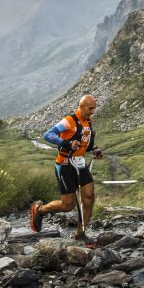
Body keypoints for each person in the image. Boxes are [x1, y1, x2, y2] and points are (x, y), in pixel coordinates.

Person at [29, 94, 103, 241]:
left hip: (80, 163)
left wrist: (94, 149)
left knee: (89, 197)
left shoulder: (88, 121)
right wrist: (67, 143)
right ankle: (39, 210)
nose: (93, 111)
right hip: (65, 164)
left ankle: (80, 233)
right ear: (81, 107)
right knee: (67, 205)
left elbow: (84, 143)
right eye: (90, 108)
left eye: (94, 108)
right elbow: (48, 135)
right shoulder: (69, 121)